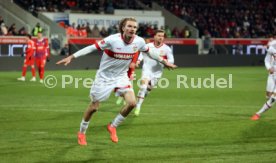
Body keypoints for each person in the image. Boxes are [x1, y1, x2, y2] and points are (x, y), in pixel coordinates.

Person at [56, 17, 177, 146]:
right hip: (104, 78)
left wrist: (164, 61)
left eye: (135, 27)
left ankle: (113, 126)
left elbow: (151, 53)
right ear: (123, 28)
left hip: (121, 76)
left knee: (132, 103)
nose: (132, 29)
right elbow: (91, 48)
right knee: (94, 108)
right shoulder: (112, 40)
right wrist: (72, 56)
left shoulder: (139, 41)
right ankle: (82, 132)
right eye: (129, 26)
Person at [134, 30, 174, 116]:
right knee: (143, 87)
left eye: (162, 36)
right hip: (147, 69)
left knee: (148, 90)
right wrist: (138, 61)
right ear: (154, 36)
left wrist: (165, 61)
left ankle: (140, 99)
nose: (161, 37)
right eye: (159, 35)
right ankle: (138, 107)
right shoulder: (148, 46)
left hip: (157, 72)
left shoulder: (167, 48)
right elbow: (141, 54)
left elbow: (171, 60)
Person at [251, 40, 276, 120]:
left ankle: (258, 114)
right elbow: (266, 60)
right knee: (268, 96)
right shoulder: (272, 47)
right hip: (272, 75)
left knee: (273, 98)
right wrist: (269, 68)